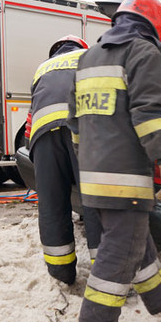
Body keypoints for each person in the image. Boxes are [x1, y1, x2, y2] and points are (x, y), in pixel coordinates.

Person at [68, 0, 161, 322]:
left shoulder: (88, 57)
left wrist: (87, 159)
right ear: (156, 25)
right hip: (126, 178)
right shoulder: (144, 53)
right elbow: (148, 113)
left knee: (137, 245)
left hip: (93, 174)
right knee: (122, 250)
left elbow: (76, 121)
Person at [29, 35, 102, 285]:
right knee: (94, 202)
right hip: (81, 131)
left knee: (51, 204)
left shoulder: (42, 68)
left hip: (42, 137)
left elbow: (35, 108)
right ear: (82, 47)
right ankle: (104, 272)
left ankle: (61, 273)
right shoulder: (89, 58)